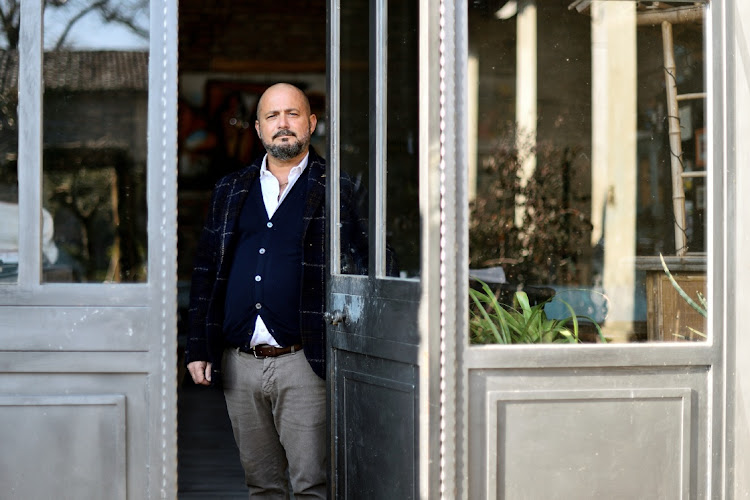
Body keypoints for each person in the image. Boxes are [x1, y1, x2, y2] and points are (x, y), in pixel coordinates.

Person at [185, 83, 372, 498]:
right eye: (272, 116)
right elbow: (205, 270)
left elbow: (373, 265)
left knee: (312, 485)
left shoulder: (340, 187)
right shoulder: (230, 189)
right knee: (261, 486)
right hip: (241, 363)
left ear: (311, 123)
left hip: (305, 361)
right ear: (257, 128)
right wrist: (198, 345)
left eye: (292, 114)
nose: (282, 124)